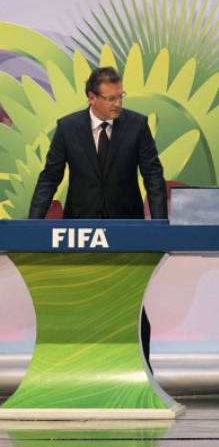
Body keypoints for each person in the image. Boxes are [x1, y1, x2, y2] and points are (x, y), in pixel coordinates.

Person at [28, 66, 167, 371]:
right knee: (79, 304)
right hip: (79, 227)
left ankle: (142, 373)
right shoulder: (68, 128)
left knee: (131, 307)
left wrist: (159, 227)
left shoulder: (137, 125)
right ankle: (74, 370)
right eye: (110, 98)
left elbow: (153, 176)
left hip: (126, 229)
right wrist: (32, 228)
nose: (117, 104)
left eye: (120, 96)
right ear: (91, 97)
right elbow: (50, 177)